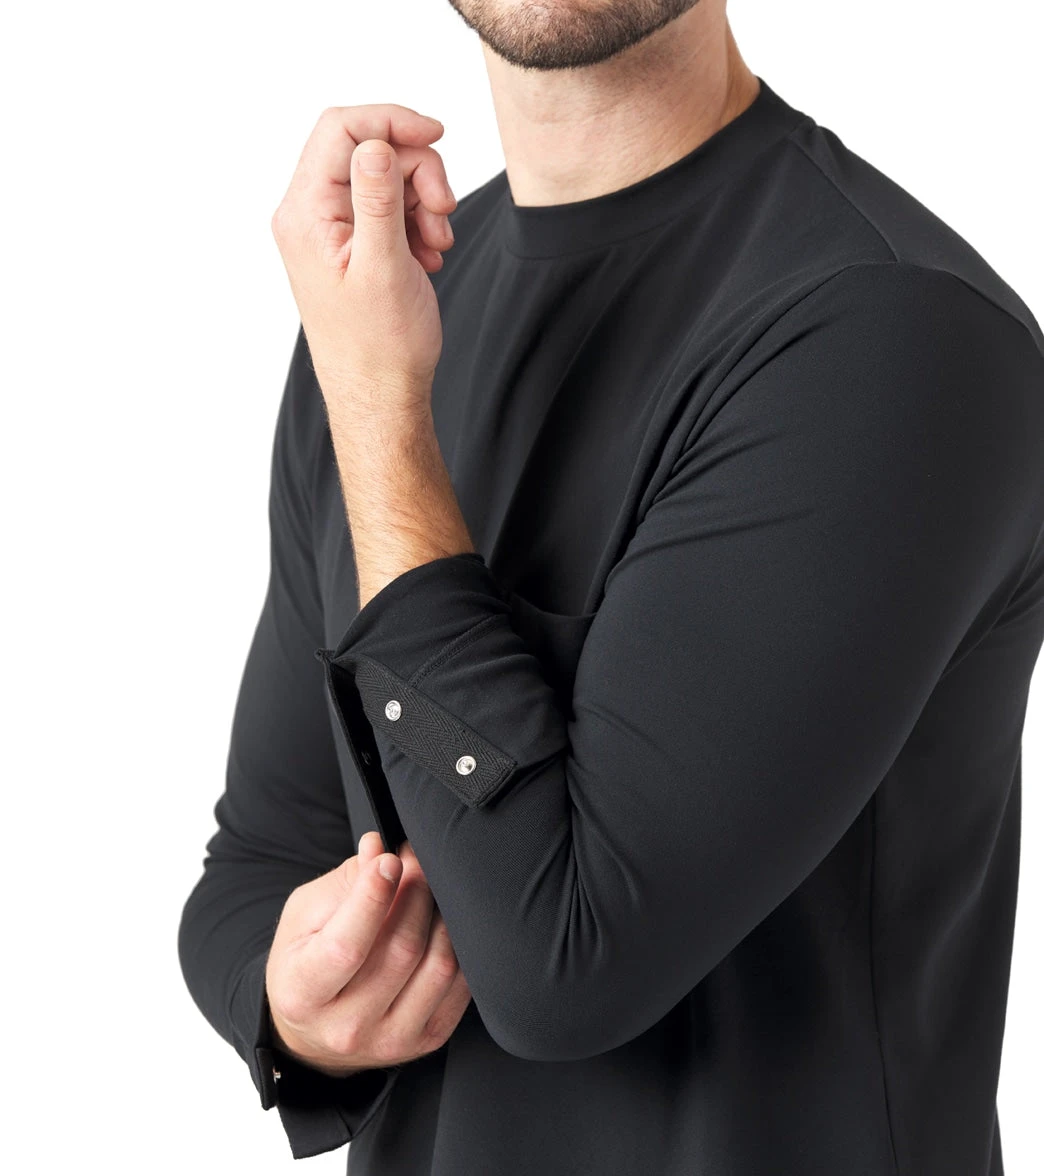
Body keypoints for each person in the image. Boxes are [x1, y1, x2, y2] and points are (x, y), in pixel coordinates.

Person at [178, 2, 1044, 1173]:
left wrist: (379, 414)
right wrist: (291, 1002)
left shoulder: (895, 336)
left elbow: (564, 963)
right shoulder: (386, 312)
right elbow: (259, 862)